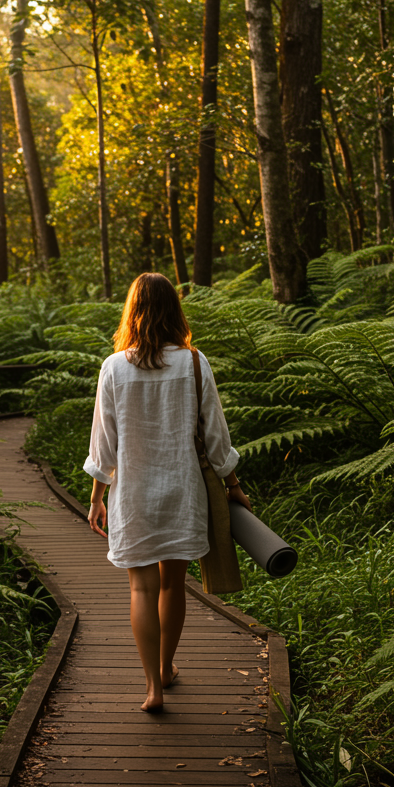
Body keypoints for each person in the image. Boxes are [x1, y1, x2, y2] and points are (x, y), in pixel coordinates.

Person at [84, 273, 251, 712]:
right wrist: (234, 485)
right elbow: (216, 436)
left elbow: (104, 445)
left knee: (141, 589)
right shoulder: (194, 362)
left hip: (133, 494)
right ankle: (165, 668)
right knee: (172, 585)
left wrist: (97, 497)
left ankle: (152, 690)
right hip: (182, 491)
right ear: (175, 311)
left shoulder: (114, 368)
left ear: (131, 312)